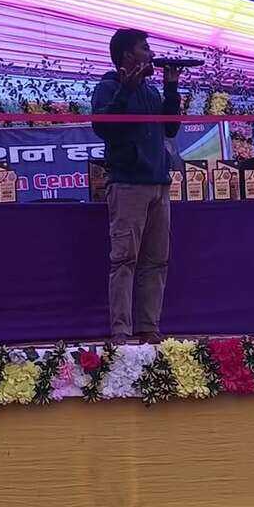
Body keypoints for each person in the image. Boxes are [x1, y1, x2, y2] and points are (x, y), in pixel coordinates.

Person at [91, 28, 182, 345]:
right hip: (128, 184)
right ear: (128, 55)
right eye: (145, 48)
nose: (151, 53)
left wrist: (171, 87)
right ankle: (121, 330)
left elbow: (170, 130)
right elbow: (104, 129)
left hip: (158, 183)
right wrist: (125, 92)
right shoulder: (107, 88)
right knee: (124, 259)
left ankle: (148, 327)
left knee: (156, 260)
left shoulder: (151, 91)